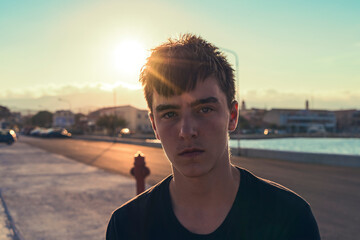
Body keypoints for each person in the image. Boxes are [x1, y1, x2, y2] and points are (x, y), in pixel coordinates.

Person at [106, 34, 320, 240]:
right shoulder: (126, 226)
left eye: (204, 109)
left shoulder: (290, 218)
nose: (187, 131)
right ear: (154, 125)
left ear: (232, 116)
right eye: (170, 114)